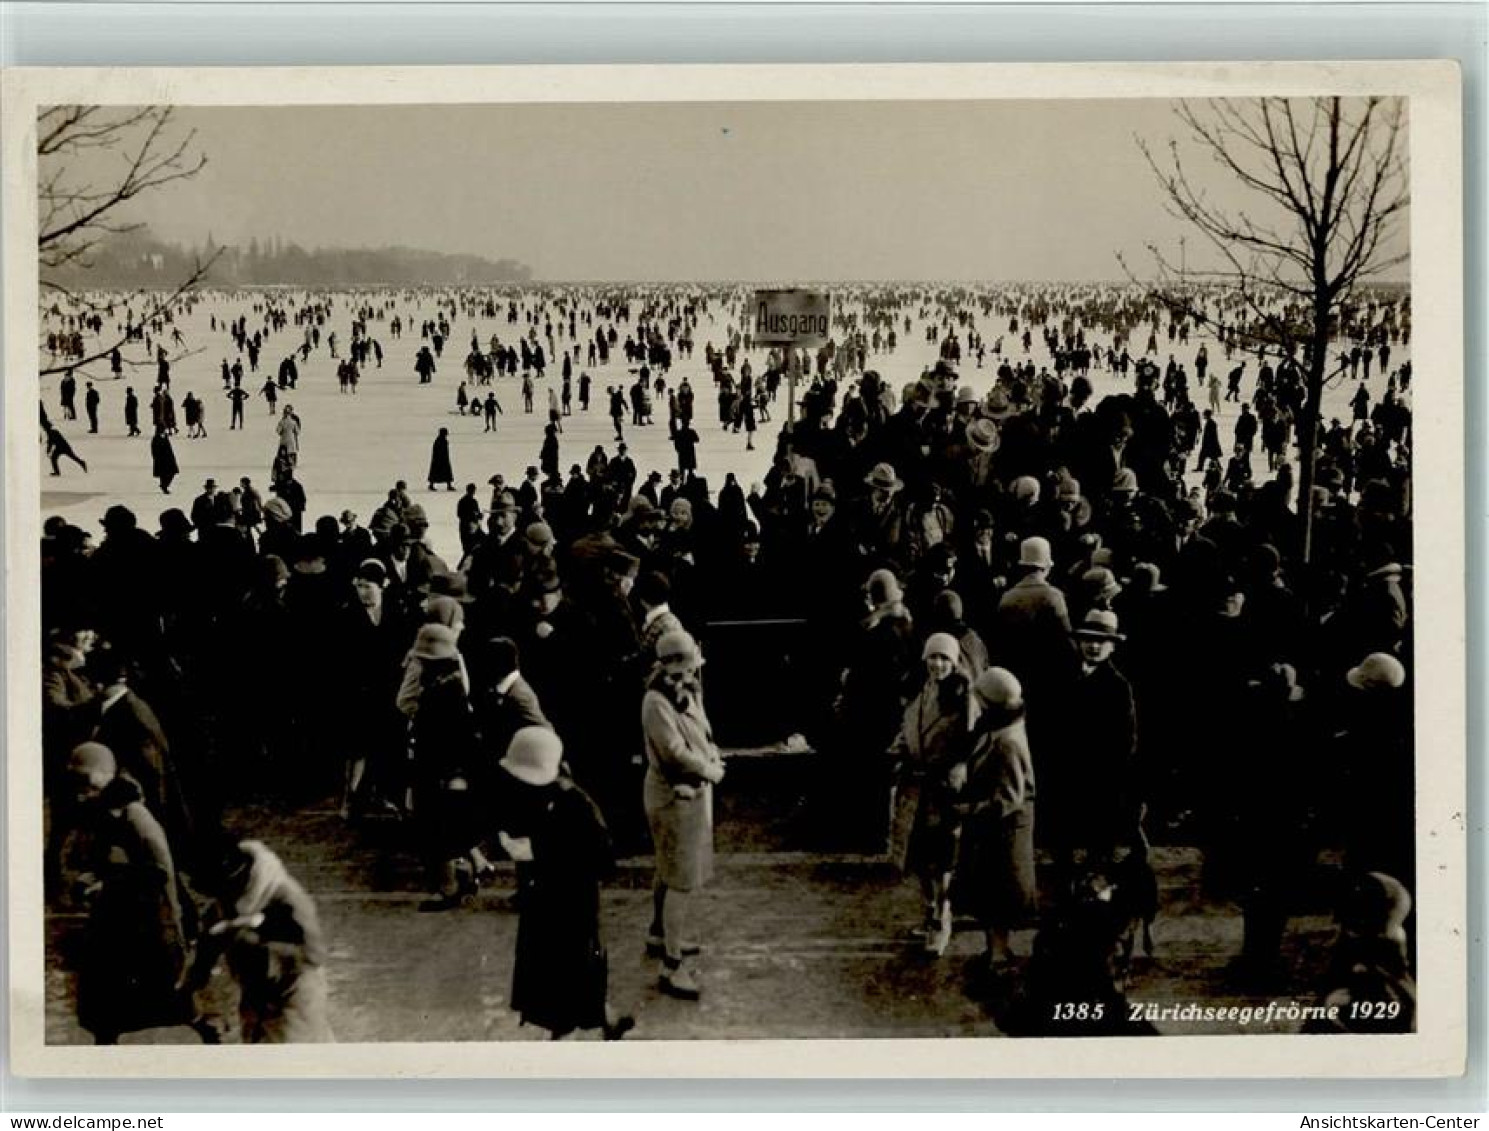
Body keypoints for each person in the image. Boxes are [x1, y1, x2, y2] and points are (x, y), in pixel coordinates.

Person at [62, 742, 212, 1045]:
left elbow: (159, 872)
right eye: (78, 782)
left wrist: (109, 884)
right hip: (114, 922)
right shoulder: (100, 813)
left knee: (169, 996)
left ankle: (210, 1034)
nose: (83, 790)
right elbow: (97, 860)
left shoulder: (135, 815)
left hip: (148, 925)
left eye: (88, 781)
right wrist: (87, 879)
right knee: (104, 1005)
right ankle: (104, 1048)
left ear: (107, 775)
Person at [496, 726, 634, 1040]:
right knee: (559, 974)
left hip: (574, 907)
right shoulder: (535, 794)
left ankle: (570, 1033)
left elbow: (603, 861)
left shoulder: (578, 805)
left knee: (571, 973)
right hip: (546, 903)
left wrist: (538, 851)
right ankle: (600, 1017)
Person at [185, 838, 335, 1043]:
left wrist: (251, 939)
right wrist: (195, 979)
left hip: (294, 992)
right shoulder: (222, 901)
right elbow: (209, 944)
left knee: (296, 1056)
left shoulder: (287, 898)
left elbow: (313, 955)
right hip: (254, 993)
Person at [641, 629, 724, 1000]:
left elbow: (699, 732)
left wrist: (711, 752)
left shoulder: (682, 691)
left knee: (667, 869)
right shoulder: (656, 701)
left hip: (686, 795)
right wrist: (710, 769)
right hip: (675, 798)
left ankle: (659, 934)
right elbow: (673, 751)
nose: (694, 670)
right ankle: (671, 966)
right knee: (680, 881)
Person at [888, 632, 979, 956]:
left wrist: (962, 766)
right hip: (915, 783)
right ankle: (929, 911)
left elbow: (974, 739)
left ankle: (943, 919)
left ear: (954, 662)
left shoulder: (964, 695)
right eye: (933, 657)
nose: (938, 664)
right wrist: (900, 745)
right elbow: (909, 725)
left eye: (944, 659)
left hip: (943, 786)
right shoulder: (920, 689)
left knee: (942, 859)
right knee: (918, 857)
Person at [953, 667, 1037, 972]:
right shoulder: (998, 728)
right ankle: (994, 953)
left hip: (1005, 833)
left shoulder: (1009, 742)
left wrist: (968, 810)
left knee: (999, 898)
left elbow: (1009, 800)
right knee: (989, 897)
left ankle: (1000, 957)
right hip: (993, 831)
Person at [427, 426, 456, 492]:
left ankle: (448, 485)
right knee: (438, 472)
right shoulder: (440, 441)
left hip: (442, 459)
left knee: (443, 473)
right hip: (440, 460)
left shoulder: (441, 440)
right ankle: (432, 485)